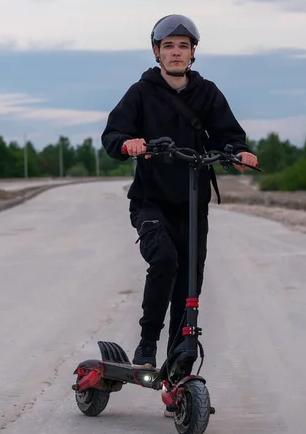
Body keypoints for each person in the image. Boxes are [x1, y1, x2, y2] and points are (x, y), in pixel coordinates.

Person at [101, 15, 258, 370]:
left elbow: (229, 135)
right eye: (168, 46)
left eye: (182, 46)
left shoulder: (207, 93)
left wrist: (239, 152)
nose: (175, 53)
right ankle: (146, 344)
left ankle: (178, 361)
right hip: (150, 200)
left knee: (190, 280)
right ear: (157, 52)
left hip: (192, 204)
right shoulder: (140, 93)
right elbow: (113, 136)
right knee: (165, 260)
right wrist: (128, 144)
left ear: (192, 54)